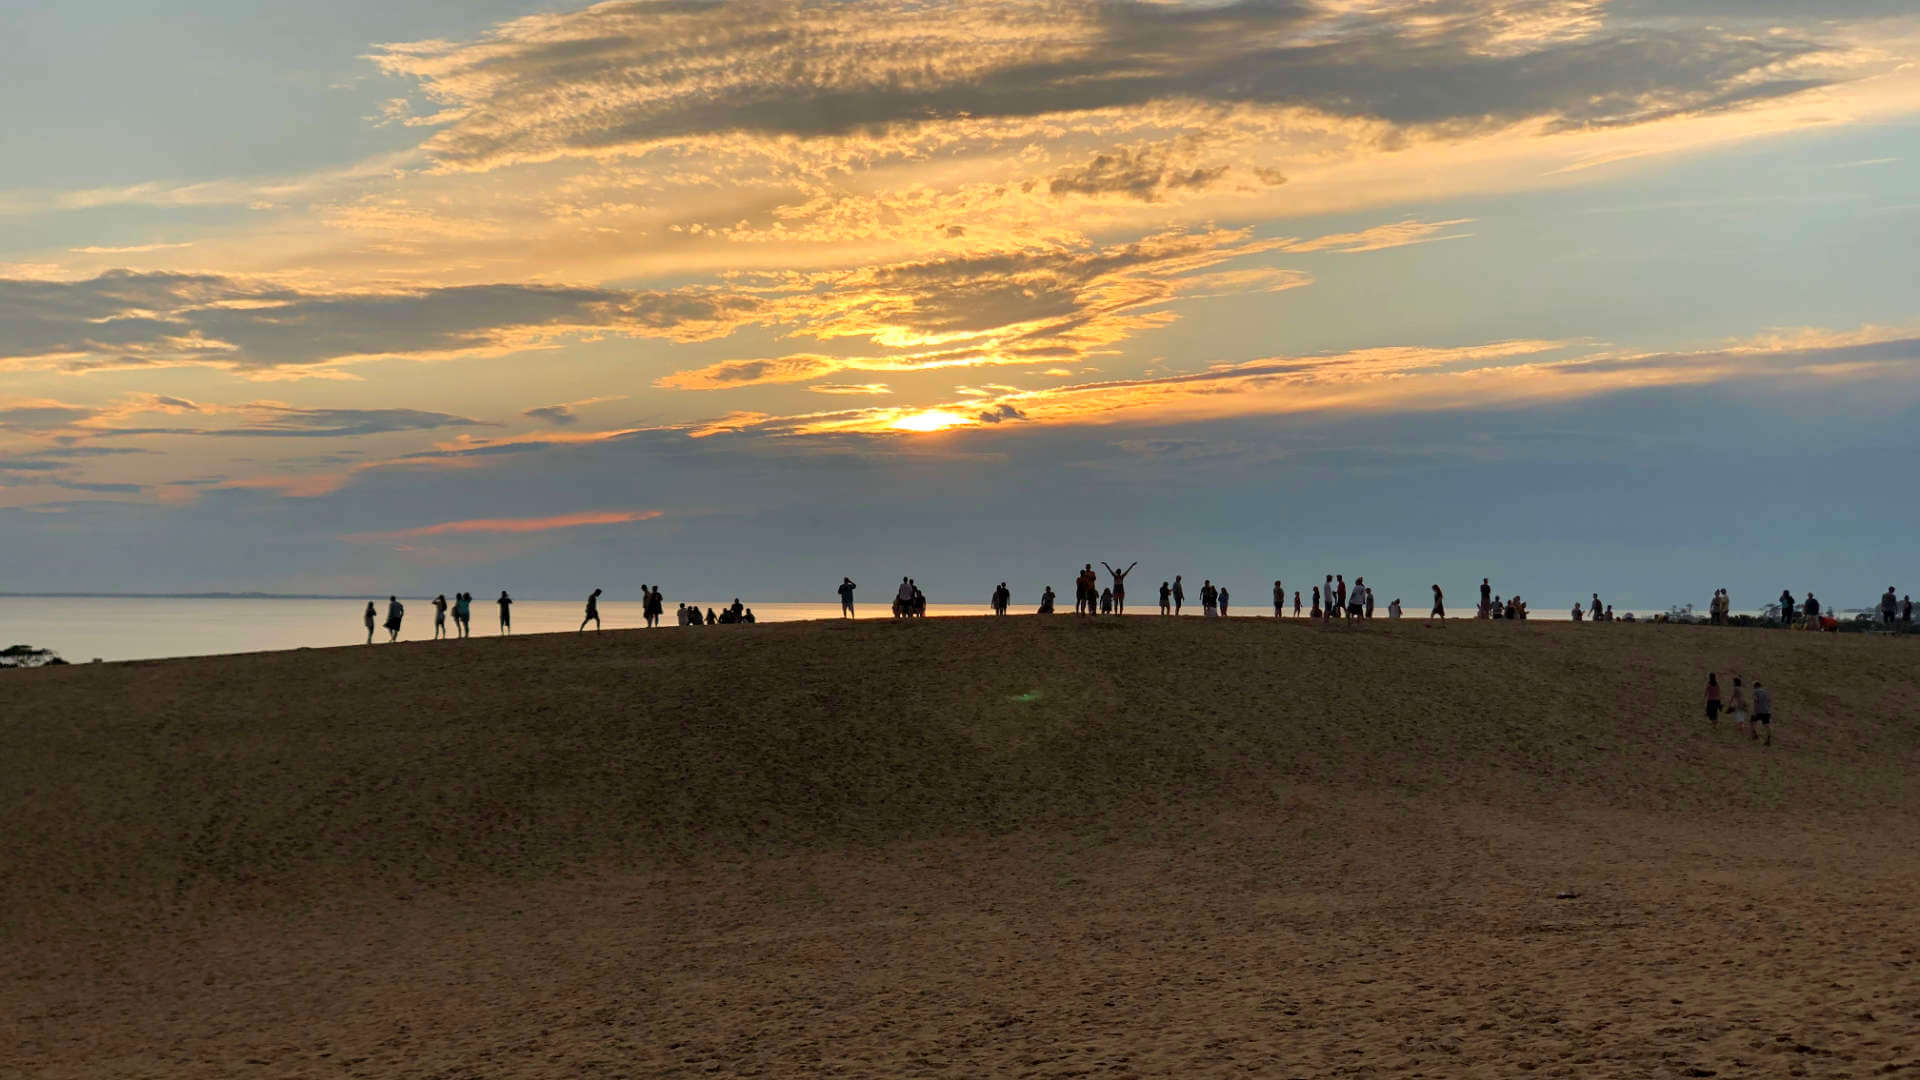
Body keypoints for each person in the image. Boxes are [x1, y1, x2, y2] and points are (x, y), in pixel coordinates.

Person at [1751, 681, 1772, 745]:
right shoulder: (1766, 692)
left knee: (1752, 720)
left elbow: (1756, 701)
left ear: (1756, 686)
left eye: (1754, 687)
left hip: (1759, 711)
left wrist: (1755, 710)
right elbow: (1769, 701)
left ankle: (1755, 734)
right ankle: (1768, 739)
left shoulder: (1756, 691)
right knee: (1767, 725)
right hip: (1767, 711)